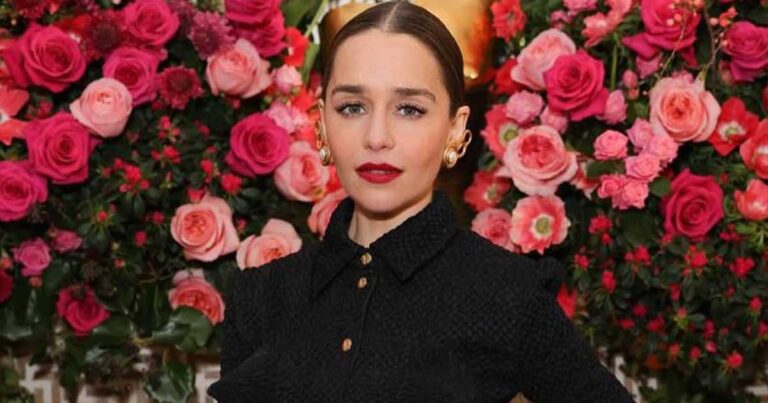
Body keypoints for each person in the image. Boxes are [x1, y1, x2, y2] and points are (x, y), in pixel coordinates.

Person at [207, 1, 636, 402]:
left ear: (455, 129)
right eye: (352, 107)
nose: (377, 137)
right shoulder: (263, 295)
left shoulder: (505, 294)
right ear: (322, 125)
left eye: (409, 109)